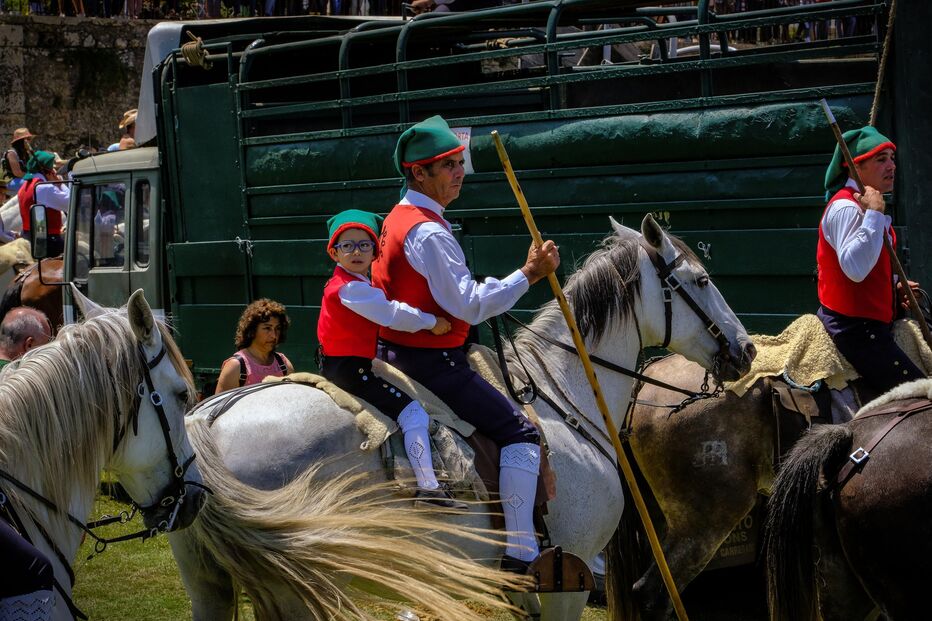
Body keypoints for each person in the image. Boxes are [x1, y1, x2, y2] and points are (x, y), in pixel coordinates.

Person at [372, 115, 560, 572]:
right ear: (419, 173)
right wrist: (529, 275)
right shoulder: (431, 232)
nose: (459, 172)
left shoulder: (400, 215)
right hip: (431, 362)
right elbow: (470, 307)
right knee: (520, 432)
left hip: (395, 351)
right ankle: (520, 554)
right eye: (448, 165)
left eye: (460, 162)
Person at [317, 208, 468, 510]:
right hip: (350, 370)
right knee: (414, 413)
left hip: (347, 364)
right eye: (347, 245)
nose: (356, 251)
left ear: (374, 252)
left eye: (364, 244)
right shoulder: (350, 289)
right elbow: (391, 313)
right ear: (334, 253)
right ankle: (428, 488)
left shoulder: (354, 283)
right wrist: (431, 322)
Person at [817, 125, 925, 394]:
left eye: (892, 158)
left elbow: (872, 265)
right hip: (856, 330)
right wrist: (874, 214)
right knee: (921, 398)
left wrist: (894, 286)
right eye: (881, 159)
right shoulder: (846, 208)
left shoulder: (864, 206)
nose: (891, 166)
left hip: (872, 324)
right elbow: (854, 269)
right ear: (855, 167)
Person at [215, 298, 295, 393]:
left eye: (277, 328)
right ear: (252, 331)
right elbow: (222, 407)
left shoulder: (284, 364)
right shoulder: (235, 367)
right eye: (267, 328)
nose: (274, 335)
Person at [17, 151, 71, 257]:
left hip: (28, 236)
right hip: (47, 240)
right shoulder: (44, 187)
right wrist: (60, 184)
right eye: (52, 168)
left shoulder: (24, 186)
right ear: (48, 171)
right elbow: (70, 203)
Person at [2, 128, 36, 199]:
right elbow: (17, 173)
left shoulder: (25, 153)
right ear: (22, 141)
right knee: (34, 185)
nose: (30, 141)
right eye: (28, 139)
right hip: (9, 182)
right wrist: (33, 177)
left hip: (20, 179)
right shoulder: (12, 153)